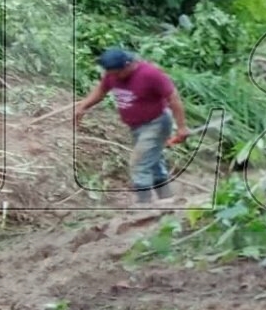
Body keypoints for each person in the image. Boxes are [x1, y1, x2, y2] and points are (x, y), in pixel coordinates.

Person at [73, 48, 189, 204]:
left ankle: (143, 204)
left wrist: (182, 127)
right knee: (152, 161)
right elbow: (101, 90)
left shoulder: (150, 74)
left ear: (128, 65)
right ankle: (166, 198)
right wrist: (83, 105)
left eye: (117, 73)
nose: (113, 76)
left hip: (156, 123)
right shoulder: (113, 73)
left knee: (139, 162)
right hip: (136, 126)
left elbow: (173, 98)